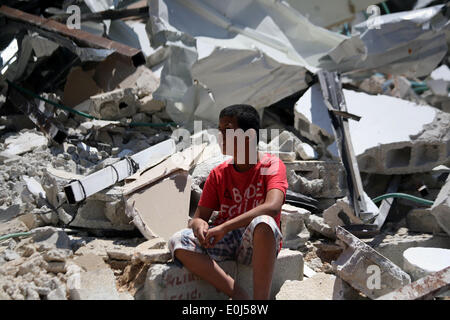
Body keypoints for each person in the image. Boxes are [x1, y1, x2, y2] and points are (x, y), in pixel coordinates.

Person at [168, 104, 288, 300]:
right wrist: (200, 226)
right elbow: (198, 218)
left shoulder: (271, 165)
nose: (221, 136)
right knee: (178, 240)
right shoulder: (219, 173)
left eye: (228, 130)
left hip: (258, 243)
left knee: (264, 223)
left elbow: (273, 206)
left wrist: (223, 227)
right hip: (226, 241)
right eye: (220, 130)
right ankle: (239, 296)